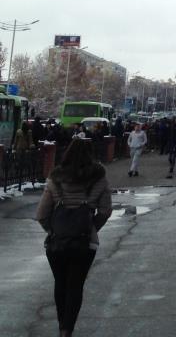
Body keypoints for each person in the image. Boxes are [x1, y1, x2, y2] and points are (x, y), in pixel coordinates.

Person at [36, 137, 113, 337]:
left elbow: (41, 214)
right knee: (76, 285)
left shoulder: (55, 179)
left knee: (60, 283)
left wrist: (53, 230)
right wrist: (91, 227)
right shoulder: (99, 179)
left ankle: (62, 325)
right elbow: (105, 210)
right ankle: (67, 329)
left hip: (57, 243)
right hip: (84, 243)